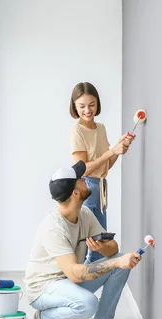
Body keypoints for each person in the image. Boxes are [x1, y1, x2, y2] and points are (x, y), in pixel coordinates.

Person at [24, 160, 142, 319]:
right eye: (80, 179)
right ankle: (44, 318)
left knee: (120, 262)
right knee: (88, 303)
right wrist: (115, 262)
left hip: (67, 281)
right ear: (75, 192)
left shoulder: (84, 213)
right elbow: (74, 274)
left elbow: (114, 248)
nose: (85, 179)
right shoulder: (53, 227)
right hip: (43, 289)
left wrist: (103, 248)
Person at [68, 82, 134, 263]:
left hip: (101, 186)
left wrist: (120, 148)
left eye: (92, 104)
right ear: (74, 106)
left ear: (97, 104)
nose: (87, 110)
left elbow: (105, 165)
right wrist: (111, 151)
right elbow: (83, 168)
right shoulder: (77, 131)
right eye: (82, 106)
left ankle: (88, 285)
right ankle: (80, 284)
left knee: (100, 243)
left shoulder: (101, 128)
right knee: (90, 244)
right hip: (87, 187)